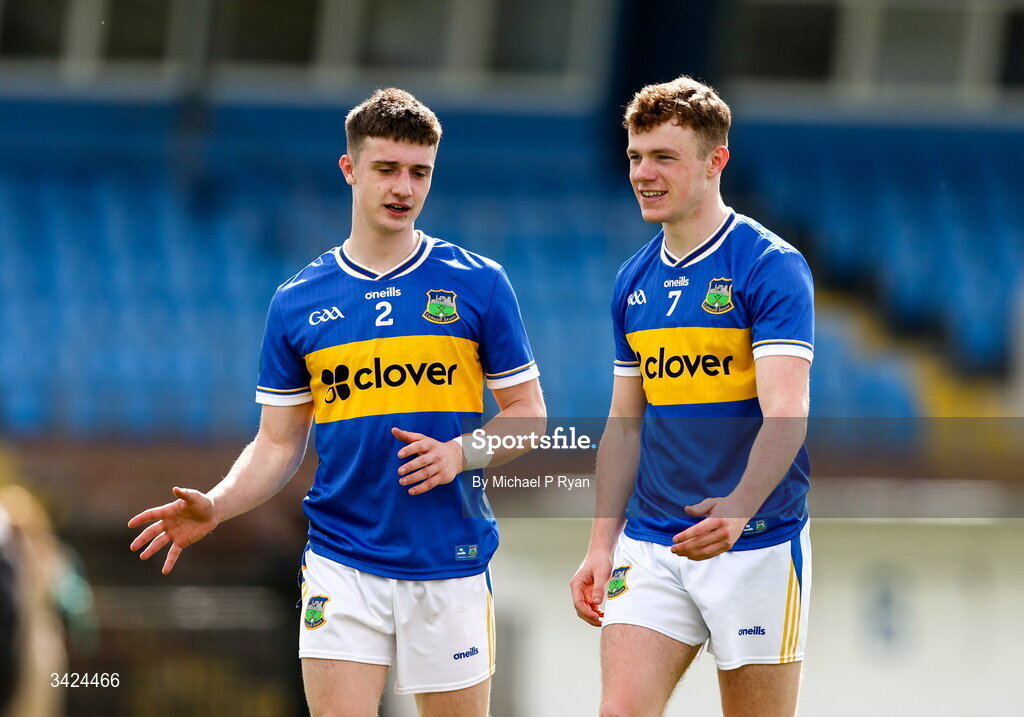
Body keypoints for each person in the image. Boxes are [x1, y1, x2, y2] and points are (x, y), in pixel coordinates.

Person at [129, 88, 545, 717]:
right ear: (350, 169)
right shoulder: (297, 301)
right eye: (386, 169)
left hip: (450, 555)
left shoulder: (478, 283)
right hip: (341, 560)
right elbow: (277, 443)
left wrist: (463, 453)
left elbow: (530, 415)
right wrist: (218, 503)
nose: (403, 187)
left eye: (419, 172)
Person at [570, 75, 814, 717]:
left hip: (755, 540)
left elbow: (786, 413)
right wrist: (602, 543)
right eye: (634, 157)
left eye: (663, 157)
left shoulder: (768, 264)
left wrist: (735, 510)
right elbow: (624, 425)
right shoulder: (633, 279)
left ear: (716, 161)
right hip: (651, 543)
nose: (643, 174)